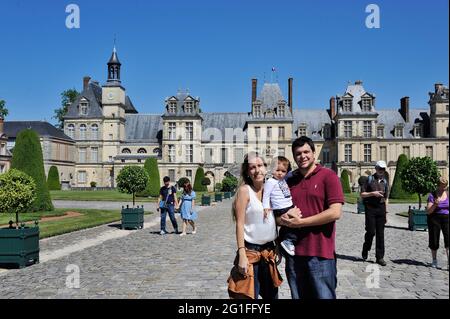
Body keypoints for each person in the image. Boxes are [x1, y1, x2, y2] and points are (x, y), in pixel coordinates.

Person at [278, 136, 344, 299]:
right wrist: (284, 218)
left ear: (314, 153)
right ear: (294, 157)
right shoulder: (289, 181)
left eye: (306, 151)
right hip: (294, 255)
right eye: (298, 153)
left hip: (320, 252)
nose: (303, 156)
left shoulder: (328, 176)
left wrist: (301, 222)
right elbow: (277, 216)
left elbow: (335, 212)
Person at [227, 152, 287, 299]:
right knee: (248, 298)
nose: (257, 170)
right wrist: (241, 254)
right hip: (250, 253)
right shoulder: (244, 191)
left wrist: (277, 245)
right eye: (252, 167)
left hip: (269, 253)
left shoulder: (272, 189)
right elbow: (239, 224)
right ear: (247, 172)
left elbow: (275, 221)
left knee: (271, 297)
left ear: (266, 168)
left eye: (260, 166)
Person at [262, 156, 297, 256]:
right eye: (277, 170)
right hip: (280, 208)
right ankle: (288, 241)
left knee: (294, 224)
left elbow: (291, 175)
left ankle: (285, 240)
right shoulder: (270, 182)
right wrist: (266, 208)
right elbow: (266, 195)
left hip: (288, 205)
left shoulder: (282, 180)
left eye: (283, 171)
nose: (280, 173)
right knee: (292, 224)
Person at [360, 161, 389, 266]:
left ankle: (380, 257)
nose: (381, 171)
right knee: (371, 231)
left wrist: (386, 212)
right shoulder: (369, 179)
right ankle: (366, 247)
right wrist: (373, 193)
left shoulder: (385, 182)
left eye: (383, 169)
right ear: (376, 168)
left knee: (380, 234)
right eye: (380, 169)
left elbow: (386, 198)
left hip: (381, 208)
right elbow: (362, 194)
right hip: (370, 208)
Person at [426, 177, 449, 270]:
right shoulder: (432, 195)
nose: (443, 188)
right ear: (438, 185)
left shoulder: (448, 194)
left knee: (448, 240)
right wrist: (435, 204)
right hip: (434, 218)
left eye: (445, 186)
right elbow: (428, 211)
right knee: (434, 239)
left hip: (447, 218)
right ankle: (434, 260)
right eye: (442, 186)